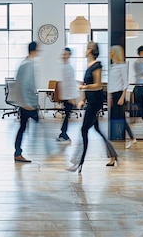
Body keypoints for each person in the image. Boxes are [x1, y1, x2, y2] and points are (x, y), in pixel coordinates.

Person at [68, 41, 118, 173]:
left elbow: (97, 85)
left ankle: (80, 162)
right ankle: (113, 155)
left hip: (96, 103)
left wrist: (84, 87)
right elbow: (86, 83)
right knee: (97, 130)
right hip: (90, 101)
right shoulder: (88, 66)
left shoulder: (97, 66)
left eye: (86, 49)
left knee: (84, 130)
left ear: (90, 50)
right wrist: (83, 99)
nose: (85, 51)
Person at [13, 41, 40, 163]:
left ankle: (18, 152)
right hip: (27, 104)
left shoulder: (26, 63)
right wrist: (26, 103)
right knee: (38, 126)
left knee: (23, 128)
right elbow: (22, 85)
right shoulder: (27, 65)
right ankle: (18, 153)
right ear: (34, 51)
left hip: (28, 102)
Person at [108, 45, 136, 149]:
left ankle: (130, 138)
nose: (110, 54)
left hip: (119, 94)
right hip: (113, 95)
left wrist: (122, 97)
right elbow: (111, 84)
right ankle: (129, 138)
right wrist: (110, 97)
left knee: (121, 118)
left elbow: (125, 83)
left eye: (111, 52)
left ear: (115, 53)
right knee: (117, 118)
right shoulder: (112, 66)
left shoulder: (122, 66)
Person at [56, 47, 79, 143]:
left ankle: (64, 135)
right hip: (66, 96)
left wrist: (72, 97)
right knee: (66, 115)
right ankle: (63, 134)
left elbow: (71, 83)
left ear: (69, 56)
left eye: (66, 54)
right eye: (63, 54)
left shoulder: (69, 68)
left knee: (66, 115)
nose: (64, 56)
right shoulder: (65, 67)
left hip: (69, 96)